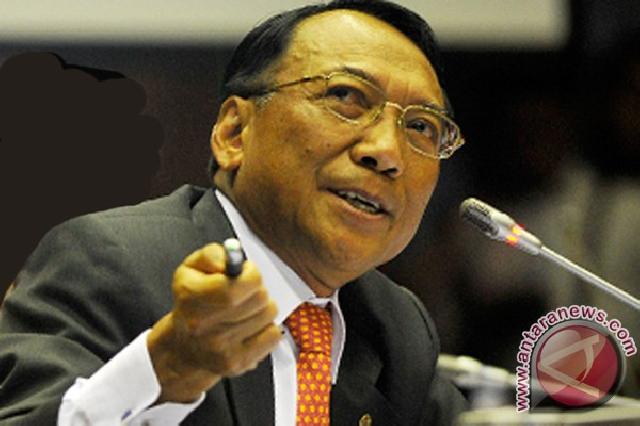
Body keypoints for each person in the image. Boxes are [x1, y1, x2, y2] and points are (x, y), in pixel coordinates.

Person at [0, 1, 468, 424]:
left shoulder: (395, 326)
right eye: (345, 97)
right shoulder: (109, 261)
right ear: (234, 132)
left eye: (421, 126)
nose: (386, 152)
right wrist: (164, 371)